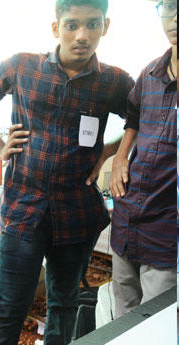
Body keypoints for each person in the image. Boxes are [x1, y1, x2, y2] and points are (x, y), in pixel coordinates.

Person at [0, 0, 135, 343]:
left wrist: (109, 154)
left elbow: (139, 117)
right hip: (23, 207)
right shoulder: (22, 67)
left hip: (76, 212)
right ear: (56, 28)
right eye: (72, 25)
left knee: (63, 303)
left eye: (92, 24)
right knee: (10, 306)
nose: (82, 35)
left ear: (106, 26)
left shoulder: (114, 82)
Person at [109, 0, 177, 318]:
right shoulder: (149, 74)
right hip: (127, 215)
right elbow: (133, 117)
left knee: (157, 323)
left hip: (167, 230)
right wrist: (120, 158)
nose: (176, 16)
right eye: (171, 6)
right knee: (122, 312)